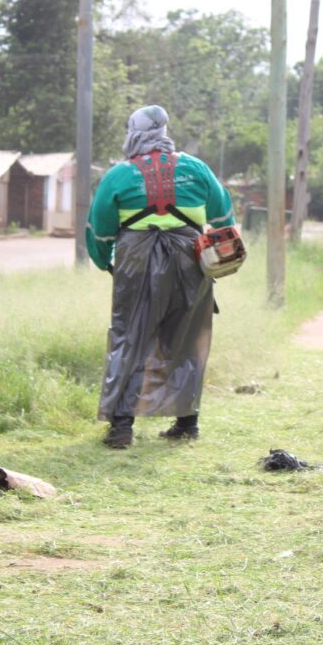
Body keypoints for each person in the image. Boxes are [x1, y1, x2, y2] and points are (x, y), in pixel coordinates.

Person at [86, 105, 236, 449]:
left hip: (135, 261)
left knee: (129, 336)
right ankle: (187, 423)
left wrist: (106, 264)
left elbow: (100, 233)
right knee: (188, 336)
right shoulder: (195, 168)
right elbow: (224, 214)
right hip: (190, 260)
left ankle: (122, 428)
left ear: (133, 133)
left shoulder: (119, 175)